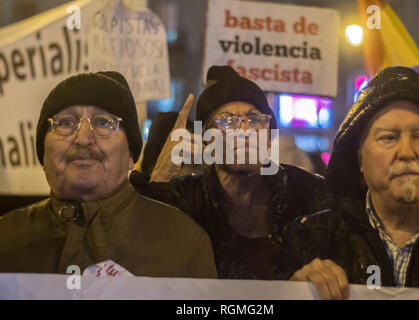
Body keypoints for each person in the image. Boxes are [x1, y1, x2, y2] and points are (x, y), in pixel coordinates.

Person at [0, 71, 217, 279]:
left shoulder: (184, 243)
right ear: (42, 154)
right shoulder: (6, 238)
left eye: (104, 123)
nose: (83, 138)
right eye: (65, 123)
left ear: (132, 156)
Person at [130, 65, 332, 279]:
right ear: (206, 138)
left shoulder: (306, 191)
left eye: (254, 119)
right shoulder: (186, 199)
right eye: (227, 121)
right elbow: (139, 255)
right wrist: (160, 178)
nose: (244, 131)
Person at [283, 66, 419, 299]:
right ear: (360, 158)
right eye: (389, 138)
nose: (407, 152)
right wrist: (292, 291)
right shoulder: (310, 238)